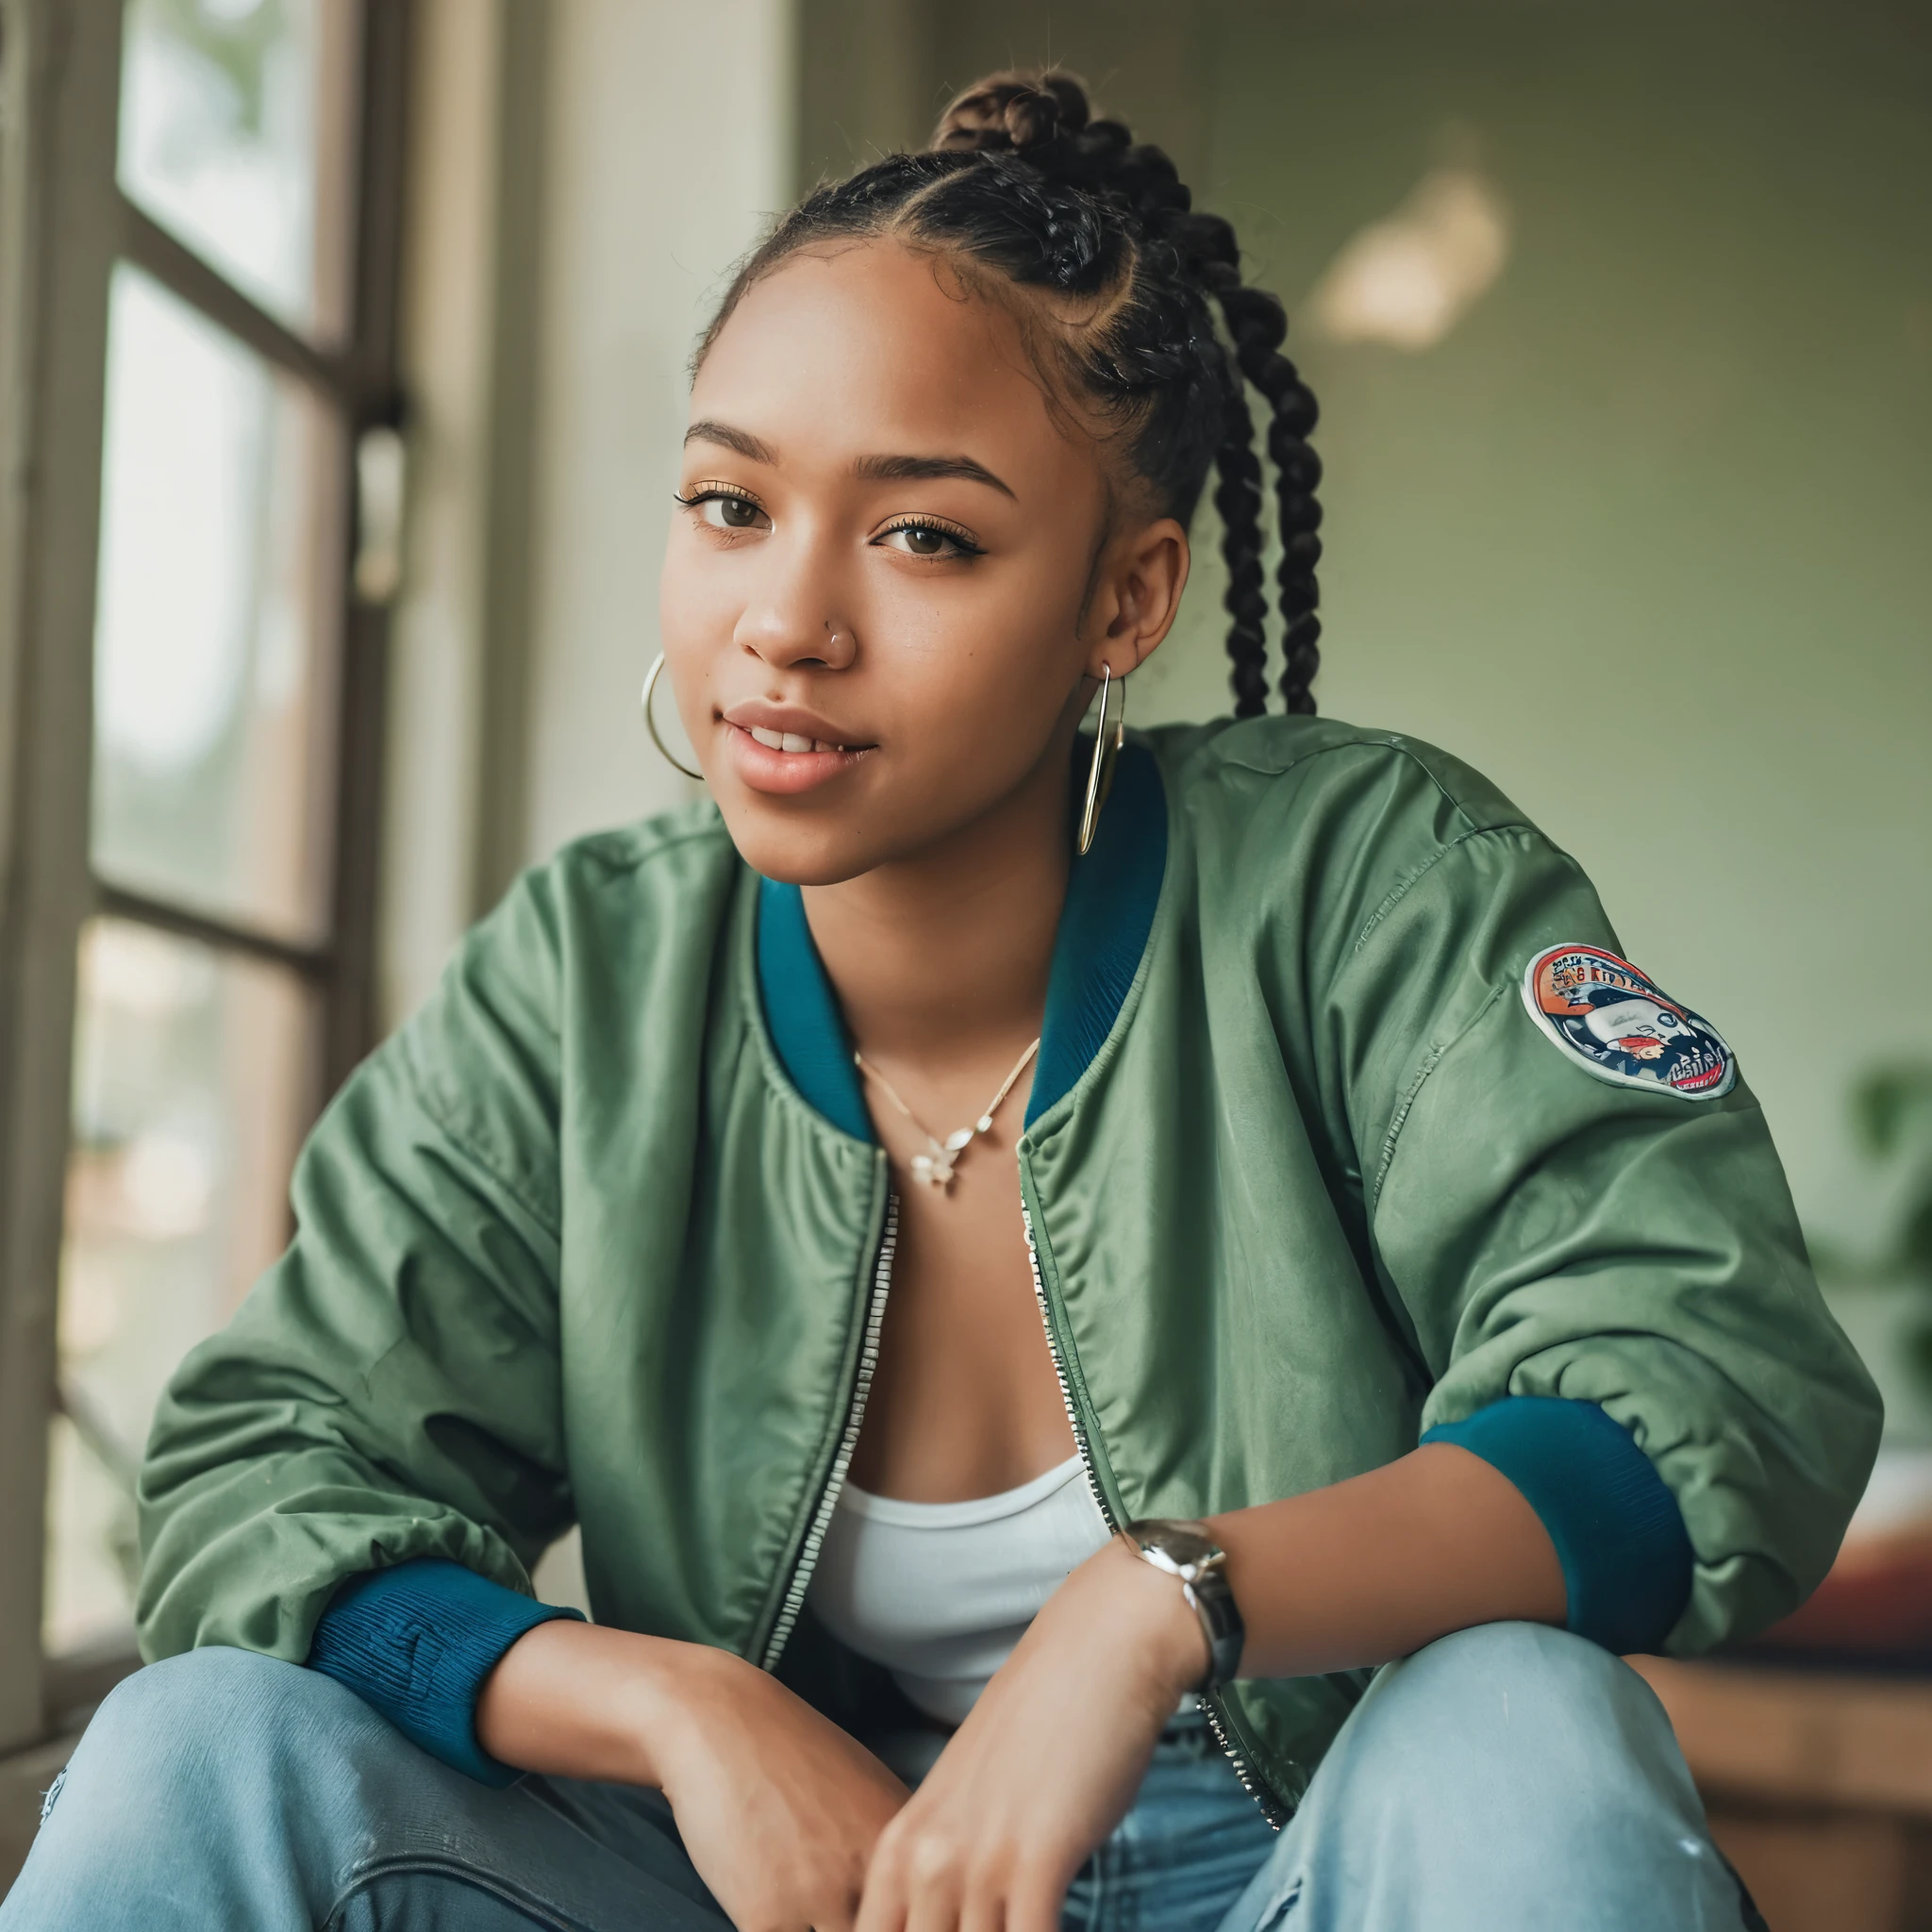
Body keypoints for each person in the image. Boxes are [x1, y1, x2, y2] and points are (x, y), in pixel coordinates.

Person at [3, 70, 1877, 1932]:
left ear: (1124, 597)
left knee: (1522, 1722)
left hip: (1334, 1870)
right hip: (797, 1893)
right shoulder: (585, 982)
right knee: (195, 1744)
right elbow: (262, 1466)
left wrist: (1160, 1605)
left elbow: (1699, 1378)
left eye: (925, 537)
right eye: (729, 502)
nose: (786, 620)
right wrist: (676, 1704)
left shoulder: (1375, 887)